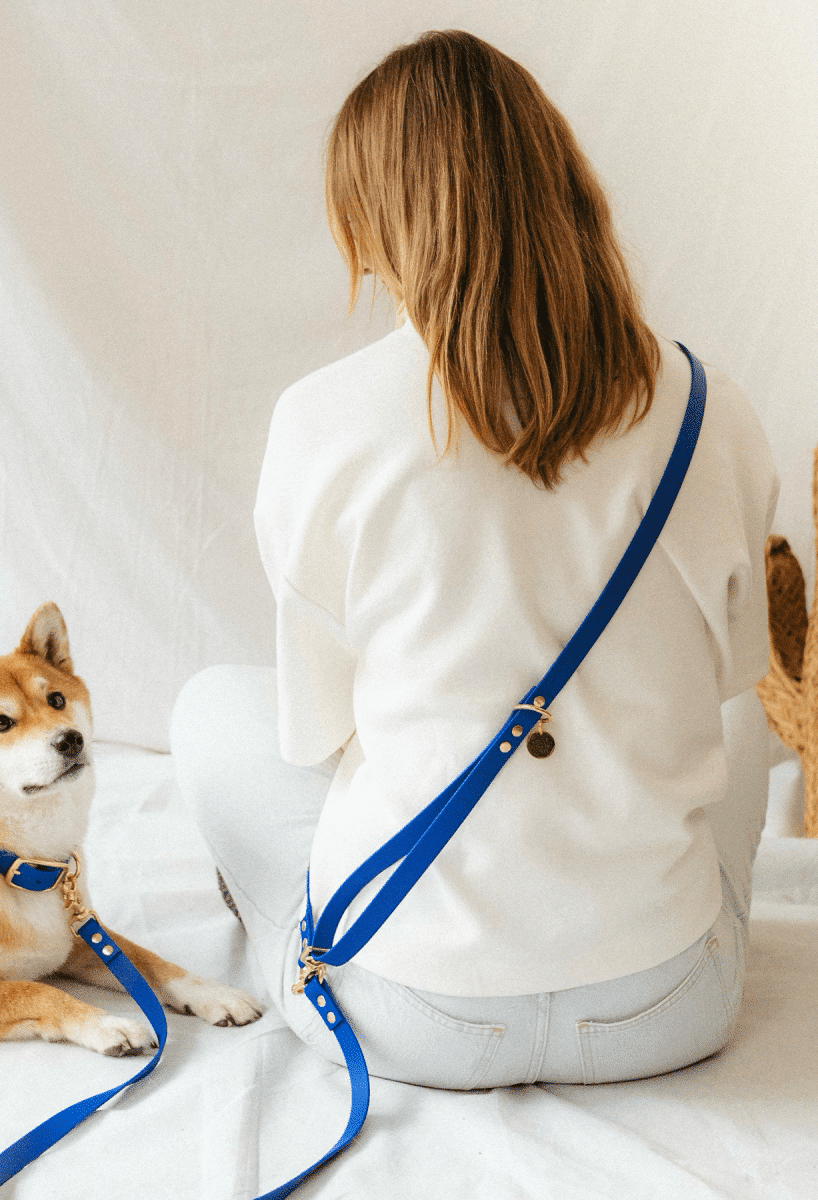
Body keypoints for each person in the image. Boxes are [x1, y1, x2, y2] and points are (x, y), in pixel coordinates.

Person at [171, 30, 779, 1088]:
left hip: (412, 1012)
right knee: (734, 723)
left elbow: (319, 733)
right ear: (564, 186)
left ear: (379, 223)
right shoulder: (713, 412)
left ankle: (288, 949)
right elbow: (730, 684)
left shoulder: (323, 422)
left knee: (209, 711)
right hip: (667, 1009)